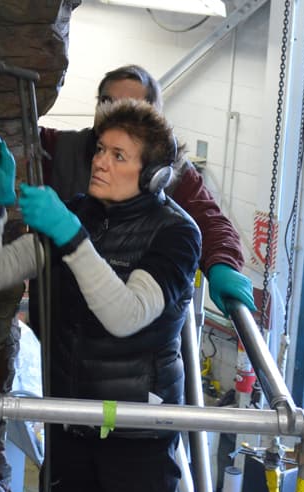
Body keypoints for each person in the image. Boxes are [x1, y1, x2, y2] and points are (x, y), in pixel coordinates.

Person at [0, 99, 200, 492]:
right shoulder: (79, 213)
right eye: (100, 149)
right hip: (74, 425)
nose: (101, 161)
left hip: (139, 432)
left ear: (154, 174)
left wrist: (68, 233)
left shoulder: (175, 234)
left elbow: (127, 314)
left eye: (120, 155)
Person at [40, 64, 255, 317]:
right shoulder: (59, 149)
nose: (115, 112)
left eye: (129, 104)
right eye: (107, 101)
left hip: (136, 329)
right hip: (63, 326)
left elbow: (211, 223)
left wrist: (223, 265)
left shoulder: (171, 173)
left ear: (151, 115)